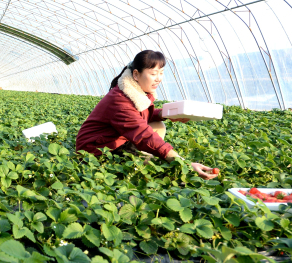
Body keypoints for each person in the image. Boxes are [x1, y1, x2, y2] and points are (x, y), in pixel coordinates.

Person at [75, 50, 218, 179]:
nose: (159, 78)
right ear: (136, 74)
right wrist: (184, 163)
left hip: (113, 139)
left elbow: (141, 116)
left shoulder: (135, 90)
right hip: (96, 150)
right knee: (161, 169)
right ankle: (138, 162)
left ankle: (144, 157)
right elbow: (143, 134)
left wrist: (164, 114)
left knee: (158, 125)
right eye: (153, 73)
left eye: (161, 72)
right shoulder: (119, 100)